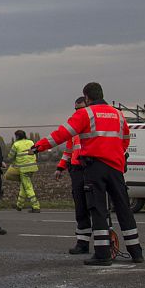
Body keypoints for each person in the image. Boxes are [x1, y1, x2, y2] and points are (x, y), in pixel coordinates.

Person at [32, 82, 142, 265]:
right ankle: (136, 252)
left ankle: (102, 254)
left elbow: (62, 133)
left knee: (98, 209)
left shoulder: (86, 113)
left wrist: (39, 146)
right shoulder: (118, 114)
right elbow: (125, 139)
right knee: (123, 207)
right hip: (116, 166)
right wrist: (115, 155)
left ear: (87, 97)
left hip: (94, 167)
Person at [55, 97, 92, 254]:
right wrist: (60, 167)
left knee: (96, 207)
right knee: (81, 207)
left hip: (91, 168)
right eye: (76, 109)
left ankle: (104, 244)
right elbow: (69, 150)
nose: (78, 112)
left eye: (81, 109)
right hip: (77, 170)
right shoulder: (74, 128)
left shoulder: (93, 123)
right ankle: (82, 243)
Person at [6, 130, 40, 213]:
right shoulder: (31, 142)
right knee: (24, 186)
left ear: (17, 136)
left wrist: (10, 160)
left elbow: (10, 157)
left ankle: (36, 206)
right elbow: (36, 152)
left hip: (24, 169)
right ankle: (19, 205)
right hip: (32, 167)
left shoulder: (16, 144)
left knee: (28, 187)